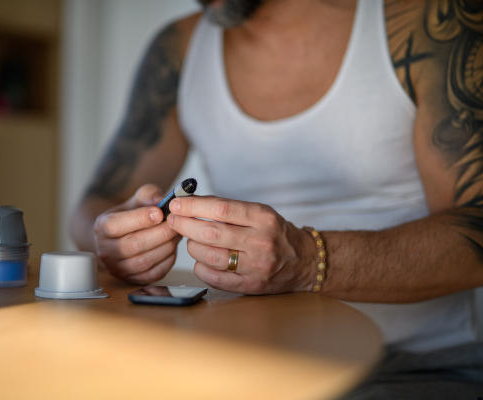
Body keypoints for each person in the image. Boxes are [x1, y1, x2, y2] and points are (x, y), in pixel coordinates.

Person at [71, 0, 483, 397]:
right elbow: (93, 207)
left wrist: (310, 261)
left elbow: (477, 226)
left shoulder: (428, 18)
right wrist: (112, 239)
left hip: (413, 366)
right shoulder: (179, 48)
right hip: (245, 360)